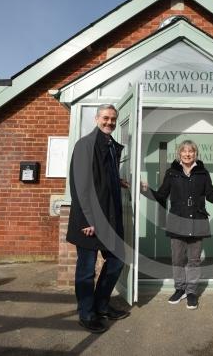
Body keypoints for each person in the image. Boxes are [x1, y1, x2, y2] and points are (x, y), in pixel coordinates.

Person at [141, 140, 213, 309]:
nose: (187, 154)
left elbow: (212, 197)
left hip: (197, 222)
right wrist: (145, 190)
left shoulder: (203, 174)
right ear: (179, 154)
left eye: (191, 151)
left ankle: (191, 292)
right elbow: (162, 195)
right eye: (184, 151)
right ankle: (179, 289)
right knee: (177, 259)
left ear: (195, 154)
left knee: (194, 260)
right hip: (177, 222)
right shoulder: (171, 173)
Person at [67, 104, 130, 334]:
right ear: (97, 118)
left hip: (109, 219)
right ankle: (86, 313)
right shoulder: (85, 144)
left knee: (116, 261)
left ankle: (101, 305)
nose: (109, 122)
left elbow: (102, 178)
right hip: (89, 220)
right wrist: (86, 221)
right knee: (86, 269)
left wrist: (118, 182)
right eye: (105, 118)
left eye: (113, 119)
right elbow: (80, 184)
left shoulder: (111, 146)